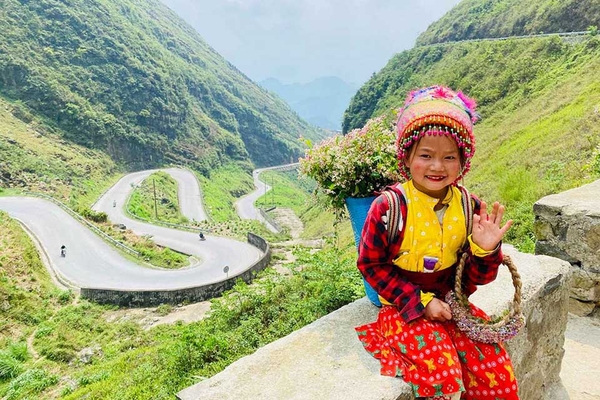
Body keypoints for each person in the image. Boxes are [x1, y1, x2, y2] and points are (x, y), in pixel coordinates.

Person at [355, 86, 518, 400]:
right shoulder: (390, 208)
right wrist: (420, 301)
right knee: (442, 374)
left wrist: (486, 251)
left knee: (494, 371)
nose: (437, 166)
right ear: (407, 157)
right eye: (426, 156)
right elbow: (371, 265)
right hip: (404, 307)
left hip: (452, 303)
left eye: (449, 157)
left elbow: (475, 279)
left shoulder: (470, 208)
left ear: (462, 162)